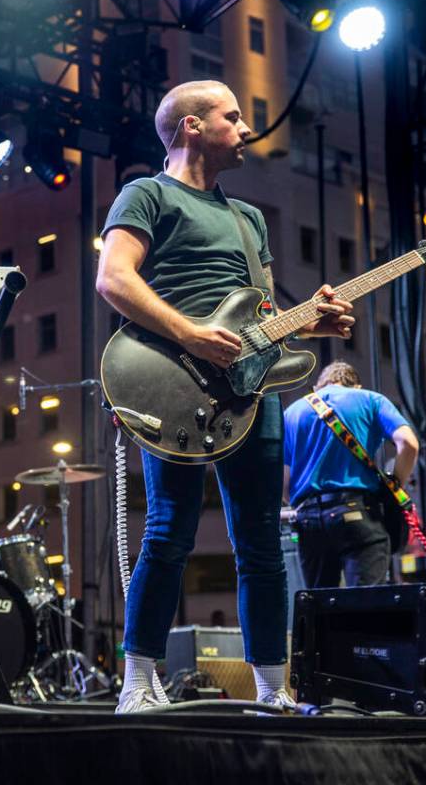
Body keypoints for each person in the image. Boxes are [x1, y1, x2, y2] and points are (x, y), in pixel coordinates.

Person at [95, 80, 355, 713]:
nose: (245, 128)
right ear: (190, 127)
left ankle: (272, 689)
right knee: (167, 532)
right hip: (170, 379)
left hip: (251, 390)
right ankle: (137, 683)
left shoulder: (249, 218)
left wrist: (305, 324)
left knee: (262, 543)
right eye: (232, 117)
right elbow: (112, 277)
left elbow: (257, 313)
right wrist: (190, 333)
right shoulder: (146, 194)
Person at [283, 360, 420, 588]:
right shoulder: (370, 399)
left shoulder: (292, 412)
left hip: (308, 521)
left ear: (318, 388)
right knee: (365, 607)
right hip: (357, 512)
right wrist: (395, 485)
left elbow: (283, 481)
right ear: (355, 386)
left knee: (321, 608)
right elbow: (408, 443)